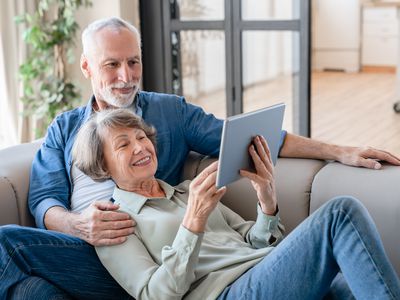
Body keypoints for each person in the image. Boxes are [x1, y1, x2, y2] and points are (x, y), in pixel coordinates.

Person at [1, 17, 400, 299]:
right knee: (11, 253)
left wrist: (337, 151)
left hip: (173, 254)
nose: (126, 75)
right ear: (87, 66)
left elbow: (249, 138)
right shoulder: (65, 129)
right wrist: (80, 225)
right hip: (96, 248)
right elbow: (43, 200)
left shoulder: (175, 143)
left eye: (134, 61)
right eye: (112, 64)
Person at [72, 108, 400, 299]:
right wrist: (192, 223)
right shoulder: (114, 225)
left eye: (142, 137)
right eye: (123, 144)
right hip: (229, 293)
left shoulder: (189, 190)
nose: (140, 147)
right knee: (340, 213)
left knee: (352, 287)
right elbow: (157, 295)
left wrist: (267, 201)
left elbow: (254, 241)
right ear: (103, 165)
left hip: (264, 274)